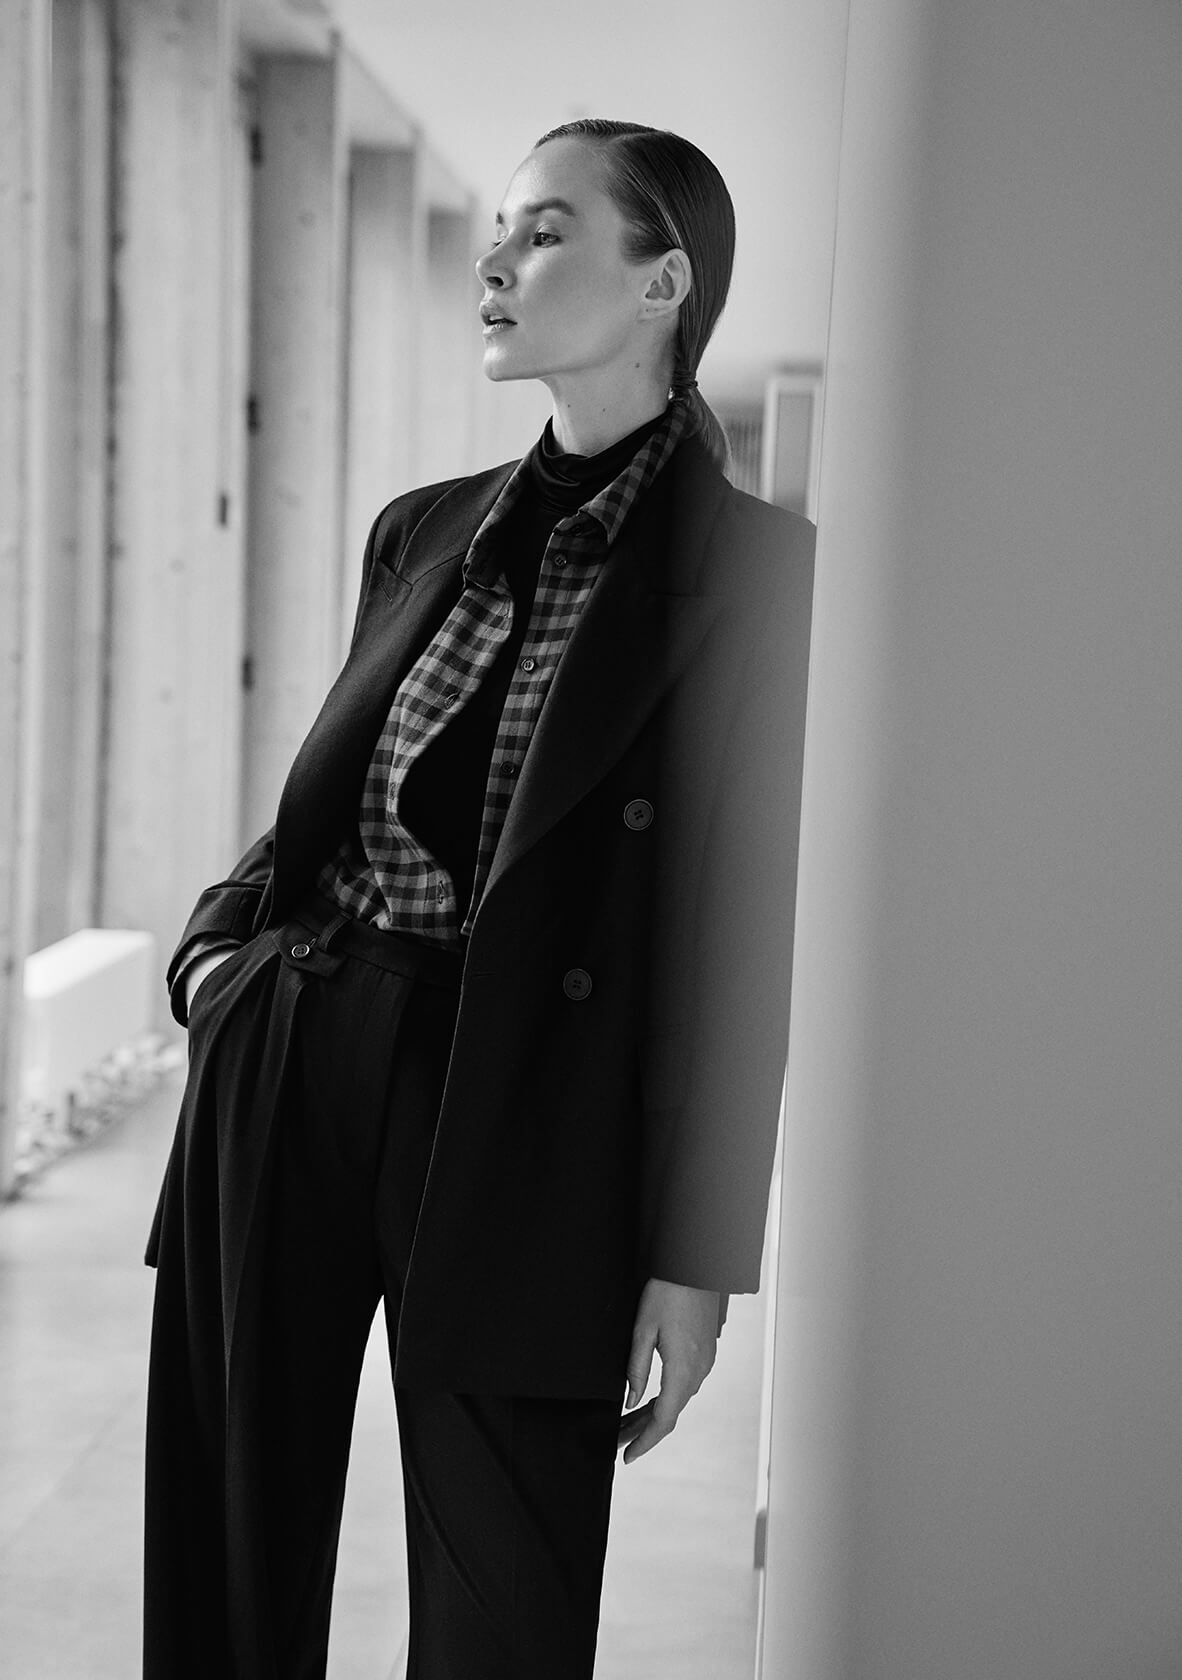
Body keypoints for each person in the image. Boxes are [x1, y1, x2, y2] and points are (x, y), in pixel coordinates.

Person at [143, 117, 815, 1679]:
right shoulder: (426, 528)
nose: (495, 261)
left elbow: (746, 941)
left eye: (546, 230)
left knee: (504, 1605)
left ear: (664, 282)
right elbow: (334, 793)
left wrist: (699, 1257)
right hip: (304, 1044)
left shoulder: (765, 575)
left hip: (534, 1112)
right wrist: (217, 959)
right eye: (498, 228)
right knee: (229, 1554)